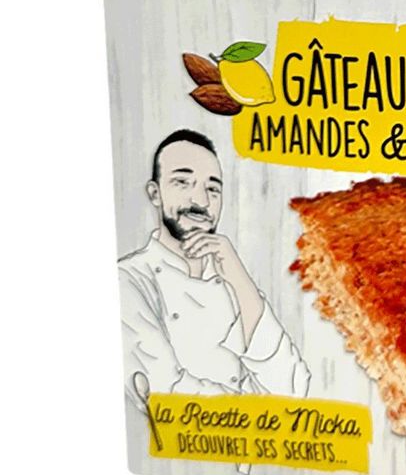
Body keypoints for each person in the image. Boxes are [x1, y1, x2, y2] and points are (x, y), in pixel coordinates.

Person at [120, 129, 310, 405]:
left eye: (212, 189)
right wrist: (264, 411)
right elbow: (167, 394)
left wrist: (239, 279)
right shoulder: (128, 279)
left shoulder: (233, 281)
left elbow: (293, 388)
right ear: (155, 193)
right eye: (183, 182)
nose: (201, 201)